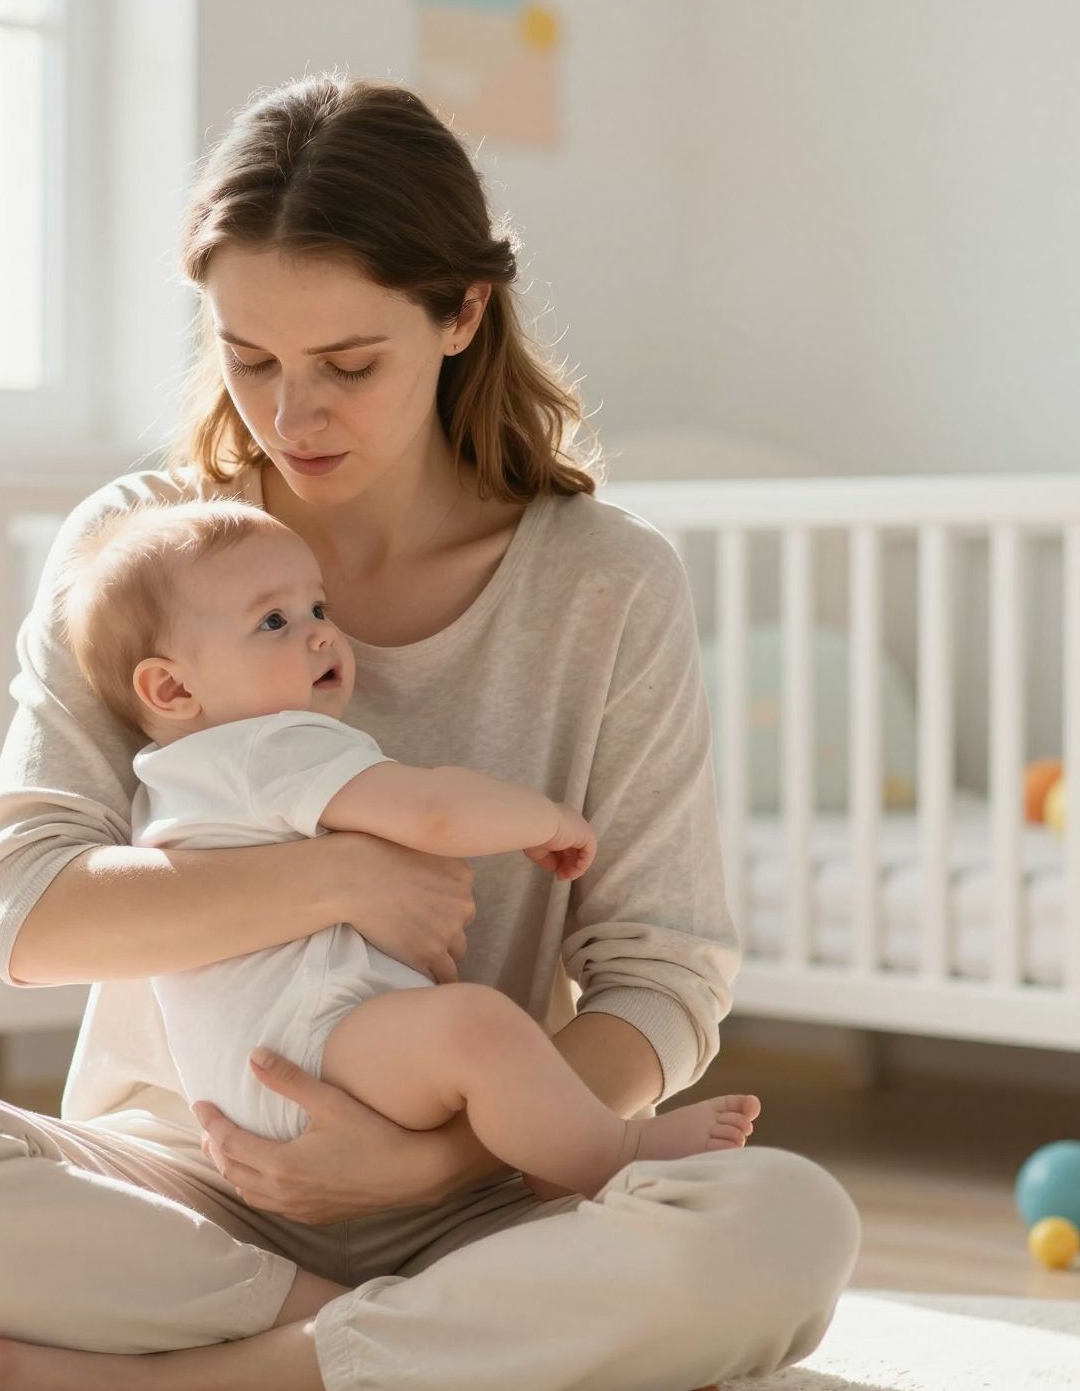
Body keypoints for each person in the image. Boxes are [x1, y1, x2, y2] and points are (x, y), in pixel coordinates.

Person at [0, 72, 859, 1391]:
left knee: (789, 1226)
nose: (292, 415)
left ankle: (194, 1385)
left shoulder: (607, 582)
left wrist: (433, 1159)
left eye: (348, 366)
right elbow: (37, 915)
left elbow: (662, 973)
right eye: (249, 358)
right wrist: (342, 878)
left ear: (462, 314)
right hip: (187, 1184)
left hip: (488, 1190)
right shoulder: (138, 551)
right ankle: (466, 1351)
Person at [58, 495, 763, 1190]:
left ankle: (548, 1156)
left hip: (262, 1078)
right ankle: (601, 1150)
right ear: (171, 689)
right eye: (274, 621)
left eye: (318, 608)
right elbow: (430, 812)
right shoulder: (267, 746)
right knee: (481, 1028)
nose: (321, 636)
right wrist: (547, 821)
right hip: (311, 1052)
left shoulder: (181, 776)